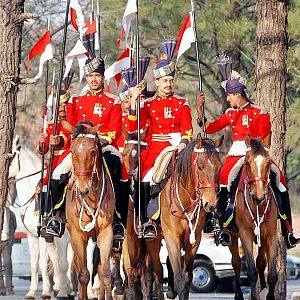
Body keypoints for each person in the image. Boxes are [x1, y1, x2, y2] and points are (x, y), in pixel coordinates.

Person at [196, 72, 300, 249]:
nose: (228, 99)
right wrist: (200, 111)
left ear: (238, 95)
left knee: (280, 181)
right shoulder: (230, 113)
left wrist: (256, 153)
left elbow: (266, 138)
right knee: (221, 181)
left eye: (230, 96)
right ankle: (222, 226)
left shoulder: (260, 112)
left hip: (257, 154)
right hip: (236, 152)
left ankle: (288, 230)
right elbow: (210, 128)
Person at [127, 39, 193, 239]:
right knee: (144, 178)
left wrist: (183, 143)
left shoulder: (182, 103)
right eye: (165, 81)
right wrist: (133, 102)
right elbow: (132, 127)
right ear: (157, 83)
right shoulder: (147, 104)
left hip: (177, 147)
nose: (168, 84)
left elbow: (187, 130)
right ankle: (146, 220)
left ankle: (206, 219)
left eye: (171, 80)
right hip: (155, 149)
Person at [66, 56, 128, 241]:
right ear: (86, 77)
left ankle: (118, 221)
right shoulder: (75, 100)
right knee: (57, 174)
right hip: (80, 149)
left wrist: (103, 141)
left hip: (104, 146)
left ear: (103, 77)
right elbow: (70, 125)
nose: (94, 79)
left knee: (122, 175)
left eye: (97, 76)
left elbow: (116, 129)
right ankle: (54, 216)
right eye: (90, 76)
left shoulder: (113, 100)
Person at [38, 89, 72, 237]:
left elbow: (70, 139)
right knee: (41, 185)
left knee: (57, 177)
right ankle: (44, 215)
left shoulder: (73, 123)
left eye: (65, 105)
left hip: (70, 160)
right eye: (59, 106)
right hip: (53, 161)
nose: (62, 109)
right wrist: (42, 143)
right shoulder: (50, 125)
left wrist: (59, 140)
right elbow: (42, 151)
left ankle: (58, 214)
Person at [0, 209, 16, 296]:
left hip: (6, 241)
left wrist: (10, 238)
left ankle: (9, 288)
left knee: (7, 263)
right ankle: (1, 288)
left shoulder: (10, 213)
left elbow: (14, 226)